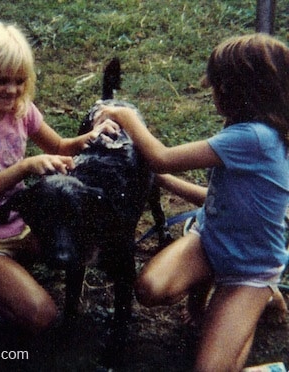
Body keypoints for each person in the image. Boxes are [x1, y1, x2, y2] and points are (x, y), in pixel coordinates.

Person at [94, 33, 289, 371]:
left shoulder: (252, 138)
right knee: (150, 289)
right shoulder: (255, 131)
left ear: (235, 91)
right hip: (212, 240)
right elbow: (220, 198)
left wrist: (125, 116)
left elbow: (162, 158)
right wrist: (167, 183)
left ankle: (261, 303)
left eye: (216, 86)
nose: (213, 93)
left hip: (249, 270)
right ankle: (229, 306)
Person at [0, 21, 118, 334]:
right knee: (42, 316)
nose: (12, 90)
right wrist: (23, 167)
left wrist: (93, 134)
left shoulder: (21, 110)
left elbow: (62, 146)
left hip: (18, 227)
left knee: (79, 248)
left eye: (19, 80)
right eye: (0, 81)